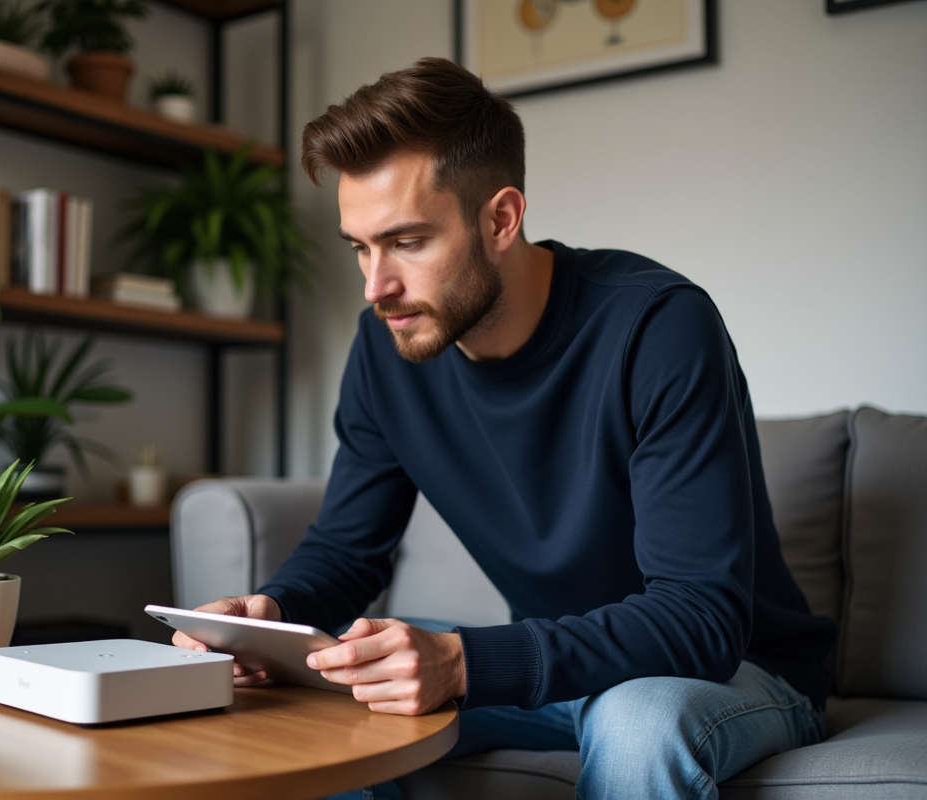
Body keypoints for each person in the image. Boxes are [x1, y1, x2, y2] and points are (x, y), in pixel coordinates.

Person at [173, 57, 835, 800]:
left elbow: (699, 619)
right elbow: (347, 549)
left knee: (636, 722)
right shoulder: (385, 349)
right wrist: (274, 616)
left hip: (731, 672)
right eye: (360, 246)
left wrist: (463, 664)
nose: (375, 286)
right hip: (560, 667)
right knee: (320, 688)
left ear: (500, 219)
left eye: (408, 242)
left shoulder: (658, 325)